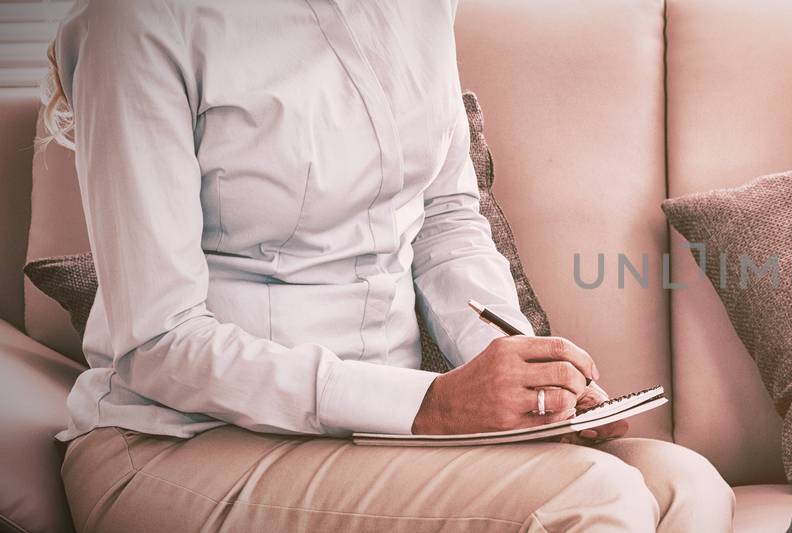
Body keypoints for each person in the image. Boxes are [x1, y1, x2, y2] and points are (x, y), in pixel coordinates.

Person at [43, 1, 731, 531]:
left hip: (377, 433)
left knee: (687, 486)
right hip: (179, 442)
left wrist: (527, 383)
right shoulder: (135, 23)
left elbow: (445, 222)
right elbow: (158, 343)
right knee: (594, 498)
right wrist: (431, 405)